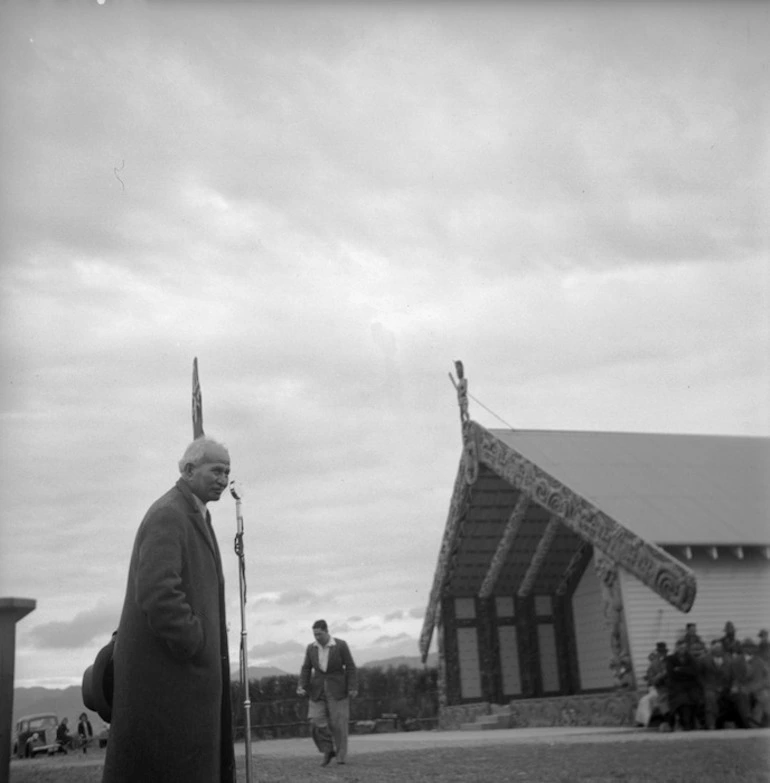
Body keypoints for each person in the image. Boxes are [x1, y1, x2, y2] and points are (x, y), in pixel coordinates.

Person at [102, 436, 236, 783]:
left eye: (227, 472)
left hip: (181, 682)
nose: (223, 479)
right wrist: (195, 641)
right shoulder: (169, 514)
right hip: (171, 682)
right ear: (189, 469)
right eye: (216, 470)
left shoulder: (192, 513)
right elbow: (158, 592)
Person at [297, 619, 358, 766]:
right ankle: (328, 749)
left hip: (338, 689)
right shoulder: (311, 648)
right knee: (315, 720)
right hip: (317, 689)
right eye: (314, 634)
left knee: (339, 724)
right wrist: (302, 685)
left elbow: (350, 666)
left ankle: (341, 757)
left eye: (319, 634)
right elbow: (306, 668)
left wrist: (352, 687)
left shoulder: (340, 645)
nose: (317, 637)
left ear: (326, 631)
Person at [731, 638, 770, 728]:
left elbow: (766, 676)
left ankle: (755, 721)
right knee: (742, 696)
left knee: (765, 697)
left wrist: (761, 685)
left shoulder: (759, 661)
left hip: (757, 687)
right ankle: (748, 722)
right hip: (743, 687)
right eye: (746, 647)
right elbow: (735, 678)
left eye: (751, 647)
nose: (749, 649)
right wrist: (735, 686)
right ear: (743, 649)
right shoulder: (736, 661)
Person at [664, 637, 700, 731]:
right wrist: (687, 672)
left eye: (684, 648)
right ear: (676, 648)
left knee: (695, 699)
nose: (682, 650)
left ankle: (692, 722)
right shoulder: (671, 659)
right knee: (682, 701)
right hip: (676, 687)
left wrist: (680, 669)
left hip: (691, 686)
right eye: (680, 648)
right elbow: (672, 674)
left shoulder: (691, 658)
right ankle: (685, 723)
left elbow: (695, 671)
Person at [697, 641, 733, 730]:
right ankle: (711, 724)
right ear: (712, 649)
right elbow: (699, 675)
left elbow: (733, 674)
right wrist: (704, 685)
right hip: (710, 687)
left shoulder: (728, 659)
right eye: (715, 648)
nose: (718, 650)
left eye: (720, 648)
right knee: (710, 698)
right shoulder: (704, 659)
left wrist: (729, 686)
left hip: (726, 687)